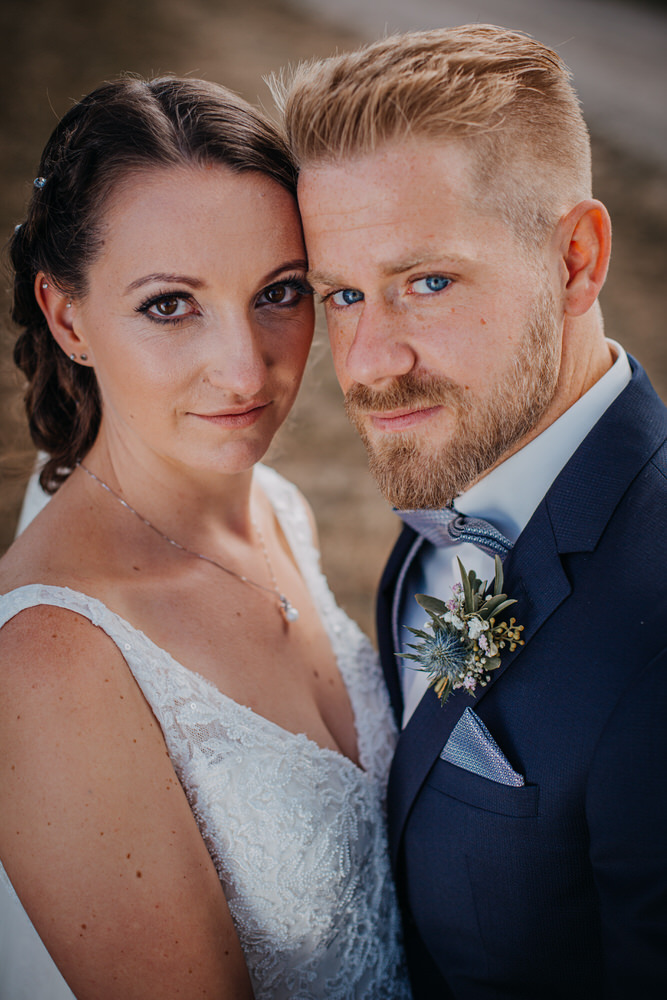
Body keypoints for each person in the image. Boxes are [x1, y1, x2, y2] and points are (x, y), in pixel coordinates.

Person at [276, 24, 667, 1000]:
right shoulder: (453, 509)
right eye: (343, 294)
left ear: (576, 259)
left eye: (428, 283)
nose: (367, 363)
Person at [0, 76, 411, 1000]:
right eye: (169, 305)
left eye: (279, 292)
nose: (244, 368)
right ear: (68, 318)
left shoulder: (277, 507)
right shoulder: (49, 660)